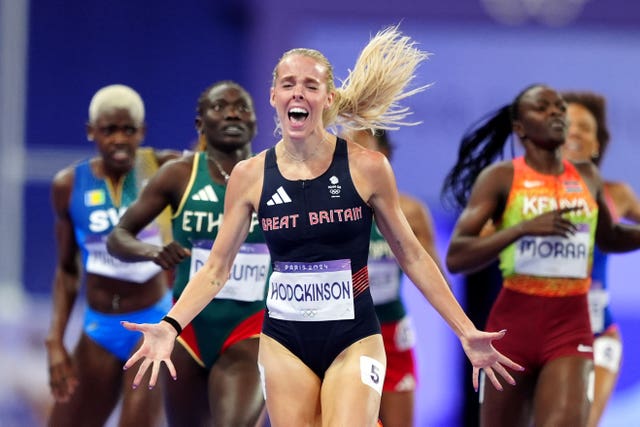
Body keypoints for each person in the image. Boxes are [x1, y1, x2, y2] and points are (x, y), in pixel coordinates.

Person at [121, 26, 523, 426]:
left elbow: (413, 255)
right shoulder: (250, 175)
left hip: (354, 337)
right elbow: (215, 269)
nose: (298, 92)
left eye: (310, 85)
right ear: (274, 97)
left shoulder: (367, 168)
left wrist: (466, 331)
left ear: (328, 99)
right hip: (284, 341)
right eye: (288, 84)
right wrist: (171, 325)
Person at [441, 83, 640, 427]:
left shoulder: (588, 178)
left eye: (559, 108)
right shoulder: (501, 178)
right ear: (519, 128)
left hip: (570, 327)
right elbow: (457, 257)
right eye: (542, 108)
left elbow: (609, 238)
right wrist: (521, 228)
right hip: (511, 330)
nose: (556, 114)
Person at [107, 81, 268, 426]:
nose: (231, 113)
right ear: (200, 124)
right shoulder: (179, 175)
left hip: (250, 329)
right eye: (219, 107)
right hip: (186, 331)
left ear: (255, 121)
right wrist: (151, 252)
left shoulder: (274, 177)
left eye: (241, 107)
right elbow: (118, 236)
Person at [45, 84, 179, 427]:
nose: (119, 139)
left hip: (151, 325)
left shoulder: (166, 170)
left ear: (142, 132)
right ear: (92, 131)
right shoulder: (69, 185)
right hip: (99, 328)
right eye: (109, 130)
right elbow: (67, 269)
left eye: (129, 129)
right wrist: (55, 340)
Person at [349, 128, 442, 427]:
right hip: (344, 334)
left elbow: (436, 277)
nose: (351, 158)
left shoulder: (411, 212)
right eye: (346, 151)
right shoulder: (328, 211)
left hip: (392, 332)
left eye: (361, 149)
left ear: (383, 157)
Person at [560, 90, 640, 427]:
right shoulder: (522, 191)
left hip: (599, 333)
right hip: (542, 333)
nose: (575, 132)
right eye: (566, 125)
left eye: (584, 127)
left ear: (597, 144)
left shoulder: (616, 194)